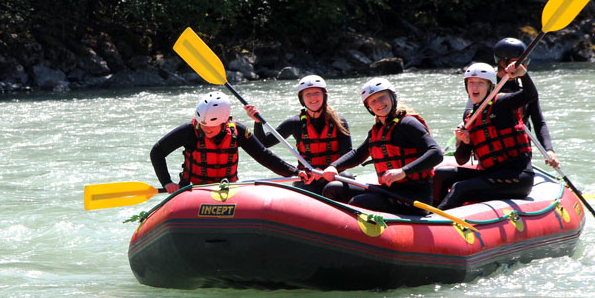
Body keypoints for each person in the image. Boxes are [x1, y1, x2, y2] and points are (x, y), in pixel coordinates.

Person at [321, 78, 442, 215]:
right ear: (369, 108)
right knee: (333, 189)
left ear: (392, 97)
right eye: (373, 101)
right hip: (389, 191)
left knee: (359, 202)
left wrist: (403, 171)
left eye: (382, 97)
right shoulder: (378, 130)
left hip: (414, 197)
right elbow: (358, 154)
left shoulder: (408, 123)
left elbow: (436, 153)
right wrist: (333, 166)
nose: (378, 103)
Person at [150, 92, 304, 193]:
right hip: (193, 191)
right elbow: (157, 151)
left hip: (227, 190)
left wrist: (295, 172)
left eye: (211, 126)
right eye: (202, 125)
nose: (205, 129)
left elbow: (263, 155)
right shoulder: (189, 130)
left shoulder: (238, 131)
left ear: (224, 122)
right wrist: (167, 182)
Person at [433, 62, 537, 210]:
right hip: (489, 174)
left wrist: (523, 75)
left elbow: (530, 95)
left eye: (480, 83)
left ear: (490, 86)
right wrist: (465, 142)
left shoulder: (501, 103)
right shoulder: (470, 117)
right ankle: (428, 211)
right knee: (441, 174)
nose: (475, 87)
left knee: (460, 187)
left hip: (517, 177)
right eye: (471, 83)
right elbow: (461, 160)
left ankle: (437, 219)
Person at [244, 74, 352, 194]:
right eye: (308, 94)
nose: (313, 97)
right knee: (306, 190)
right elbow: (265, 142)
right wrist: (257, 122)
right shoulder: (295, 123)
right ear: (302, 99)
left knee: (338, 185)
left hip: (332, 175)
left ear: (324, 95)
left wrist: (328, 170)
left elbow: (347, 156)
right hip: (307, 178)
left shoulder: (339, 122)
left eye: (316, 92)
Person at [490, 37, 559, 167]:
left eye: (526, 61)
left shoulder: (526, 87)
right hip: (493, 153)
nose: (525, 66)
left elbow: (539, 121)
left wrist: (549, 150)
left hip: (520, 153)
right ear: (504, 64)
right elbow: (469, 112)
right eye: (521, 62)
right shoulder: (486, 85)